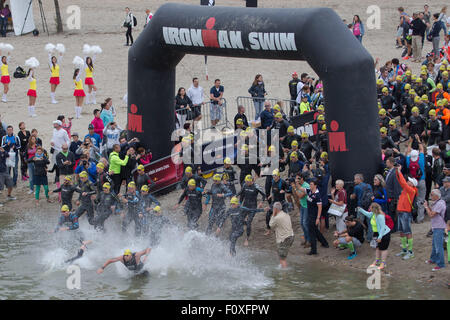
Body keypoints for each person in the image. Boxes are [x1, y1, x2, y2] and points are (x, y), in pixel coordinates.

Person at [357, 203, 392, 270]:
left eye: (370, 207)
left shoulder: (380, 216)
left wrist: (380, 237)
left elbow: (382, 227)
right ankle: (377, 260)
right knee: (377, 247)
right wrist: (360, 209)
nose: (369, 208)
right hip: (376, 233)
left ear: (374, 208)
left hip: (384, 234)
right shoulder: (373, 214)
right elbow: (367, 214)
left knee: (383, 248)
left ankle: (383, 263)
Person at [395, 164, 418, 261]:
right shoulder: (407, 188)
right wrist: (397, 171)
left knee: (407, 232)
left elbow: (403, 182)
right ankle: (404, 249)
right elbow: (401, 181)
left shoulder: (411, 190)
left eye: (409, 181)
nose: (407, 181)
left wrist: (399, 172)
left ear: (412, 184)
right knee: (402, 231)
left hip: (405, 213)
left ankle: (410, 251)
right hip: (401, 212)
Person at [236, 175, 266, 246]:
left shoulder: (256, 186)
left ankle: (247, 238)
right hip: (245, 205)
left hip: (253, 207)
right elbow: (241, 192)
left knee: (249, 222)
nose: (246, 183)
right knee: (240, 219)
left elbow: (264, 195)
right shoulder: (245, 185)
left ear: (251, 181)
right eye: (245, 181)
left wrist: (261, 202)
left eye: (247, 182)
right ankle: (245, 224)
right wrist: (236, 195)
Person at [424, 189, 447, 271]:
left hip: (439, 227)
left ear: (437, 196)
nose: (431, 196)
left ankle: (441, 264)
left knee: (438, 246)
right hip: (436, 226)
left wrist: (426, 207)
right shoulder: (438, 202)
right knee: (434, 244)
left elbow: (431, 215)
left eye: (432, 195)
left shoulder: (440, 204)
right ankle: (433, 259)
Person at [269, 202, 294, 268]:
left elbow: (271, 225)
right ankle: (283, 265)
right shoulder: (286, 214)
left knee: (282, 258)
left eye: (273, 208)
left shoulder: (277, 218)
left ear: (275, 209)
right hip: (291, 236)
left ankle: (284, 274)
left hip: (284, 239)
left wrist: (273, 215)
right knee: (282, 255)